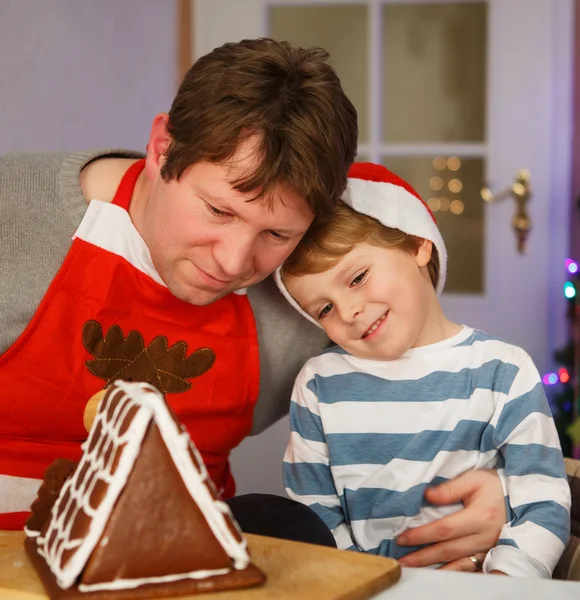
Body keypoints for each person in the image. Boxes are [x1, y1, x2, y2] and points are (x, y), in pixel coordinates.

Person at [0, 38, 504, 569]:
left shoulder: (312, 302)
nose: (236, 261)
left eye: (278, 233)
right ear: (162, 147)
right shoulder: (15, 211)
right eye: (219, 210)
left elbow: (426, 372)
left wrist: (489, 485)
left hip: (172, 571)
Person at [276, 162, 571, 577]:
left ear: (417, 244)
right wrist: (358, 578)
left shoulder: (501, 370)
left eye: (357, 278)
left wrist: (504, 582)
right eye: (324, 308)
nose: (348, 312)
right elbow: (313, 512)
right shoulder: (319, 384)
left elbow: (542, 500)